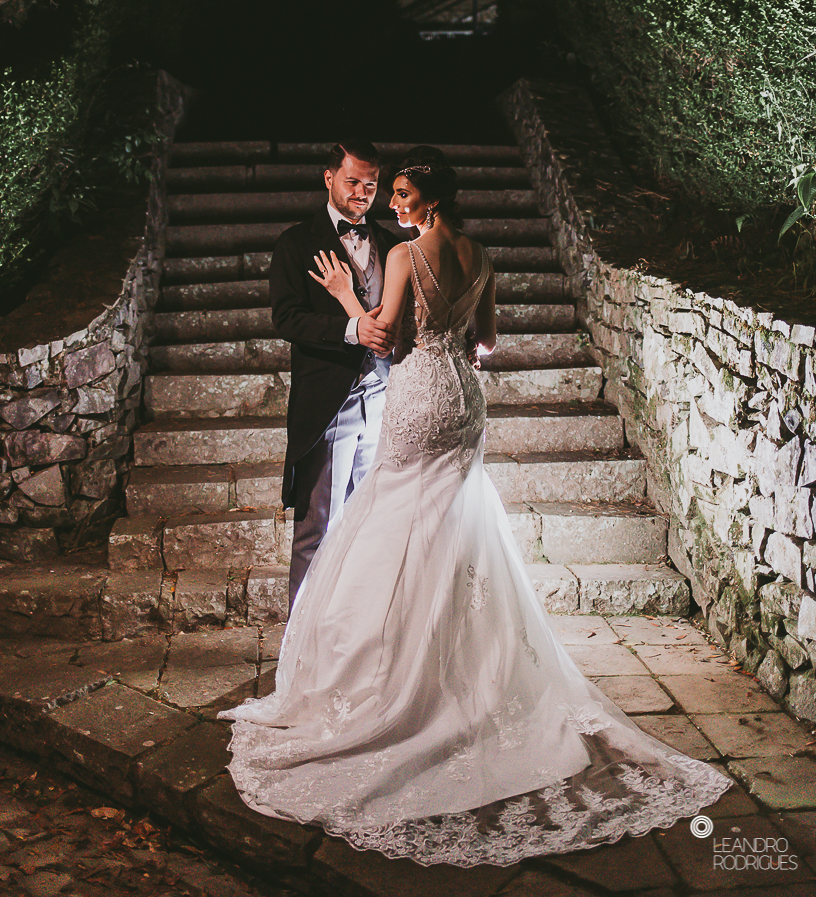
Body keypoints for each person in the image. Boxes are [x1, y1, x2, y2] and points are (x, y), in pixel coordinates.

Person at [221, 147, 730, 867]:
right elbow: (487, 339)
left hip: (418, 394)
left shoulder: (404, 254)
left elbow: (385, 336)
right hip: (464, 397)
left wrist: (345, 297)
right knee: (453, 525)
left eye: (400, 193)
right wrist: (449, 338)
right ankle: (461, 665)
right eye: (388, 192)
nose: (391, 203)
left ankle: (395, 675)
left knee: (397, 520)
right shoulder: (481, 253)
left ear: (425, 199)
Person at [269, 140, 400, 609]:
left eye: (371, 184)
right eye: (352, 181)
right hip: (330, 402)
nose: (362, 192)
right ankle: (299, 640)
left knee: (370, 525)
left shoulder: (393, 245)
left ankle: (351, 629)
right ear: (329, 179)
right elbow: (287, 318)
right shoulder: (296, 243)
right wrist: (351, 329)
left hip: (384, 399)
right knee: (317, 528)